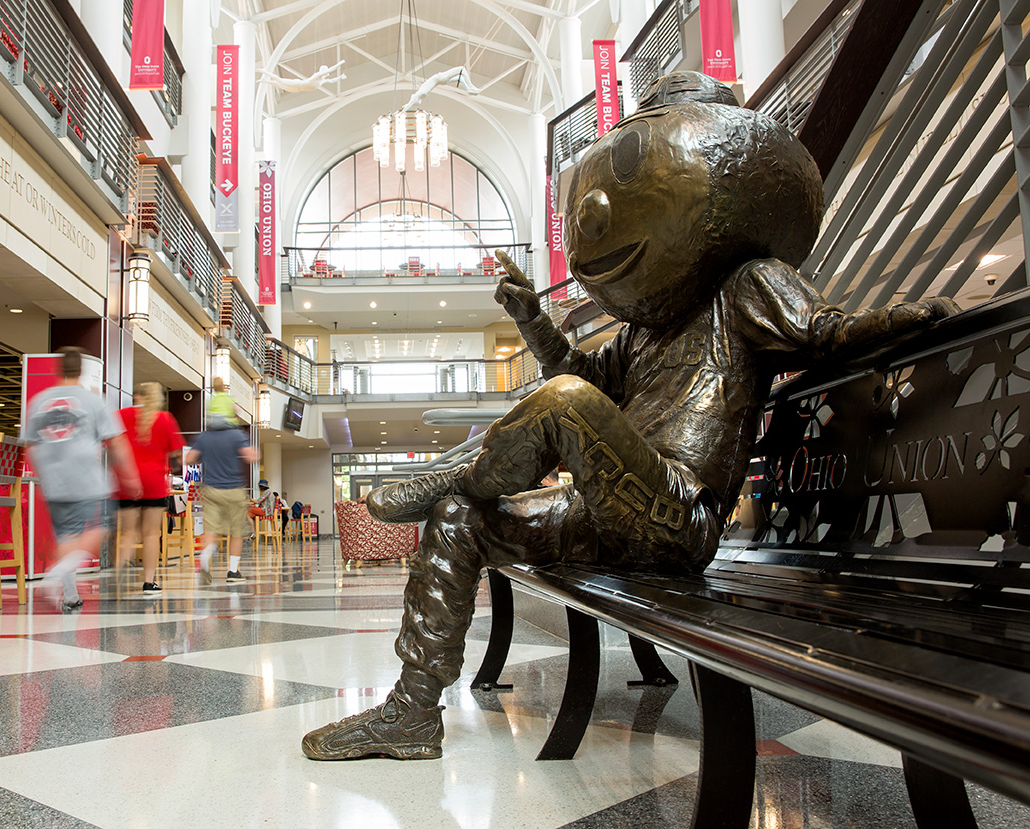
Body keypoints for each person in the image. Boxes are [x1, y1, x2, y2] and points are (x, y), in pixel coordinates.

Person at [301, 72, 960, 761]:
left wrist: (907, 320)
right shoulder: (644, 331)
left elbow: (825, 331)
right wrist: (532, 319)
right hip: (615, 511)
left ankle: (447, 472)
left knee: (563, 409)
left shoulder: (746, 286)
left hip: (679, 517)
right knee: (463, 516)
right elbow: (580, 378)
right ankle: (411, 712)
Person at [23, 347, 141, 611]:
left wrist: (44, 474)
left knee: (66, 535)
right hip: (87, 480)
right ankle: (59, 570)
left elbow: (30, 445)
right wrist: (130, 475)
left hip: (54, 482)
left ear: (59, 369)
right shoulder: (93, 400)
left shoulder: (38, 402)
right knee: (101, 527)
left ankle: (69, 594)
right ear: (81, 371)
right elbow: (116, 441)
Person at [115, 381, 184, 595]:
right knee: (151, 534)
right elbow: (178, 454)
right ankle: (148, 582)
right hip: (154, 482)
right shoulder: (165, 419)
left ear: (137, 396)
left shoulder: (121, 415)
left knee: (127, 533)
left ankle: (119, 572)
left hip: (127, 481)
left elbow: (111, 445)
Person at [186, 424, 259, 584]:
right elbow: (251, 456)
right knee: (236, 532)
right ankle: (233, 571)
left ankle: (205, 558)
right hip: (234, 489)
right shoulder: (236, 435)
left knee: (211, 530)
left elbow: (189, 459)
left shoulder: (204, 436)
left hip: (211, 489)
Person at [402, 66, 479, 112]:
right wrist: (404, 110)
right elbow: (410, 103)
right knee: (461, 69)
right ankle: (470, 86)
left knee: (461, 78)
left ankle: (468, 89)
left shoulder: (422, 93)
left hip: (440, 81)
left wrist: (406, 107)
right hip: (440, 78)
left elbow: (410, 103)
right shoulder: (419, 94)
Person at [259, 60, 345, 92]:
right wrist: (340, 63)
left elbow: (331, 81)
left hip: (299, 89)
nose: (327, 73)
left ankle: (266, 81)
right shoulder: (317, 75)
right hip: (298, 84)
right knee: (280, 80)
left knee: (282, 86)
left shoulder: (322, 80)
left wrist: (340, 77)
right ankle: (264, 72)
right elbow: (331, 69)